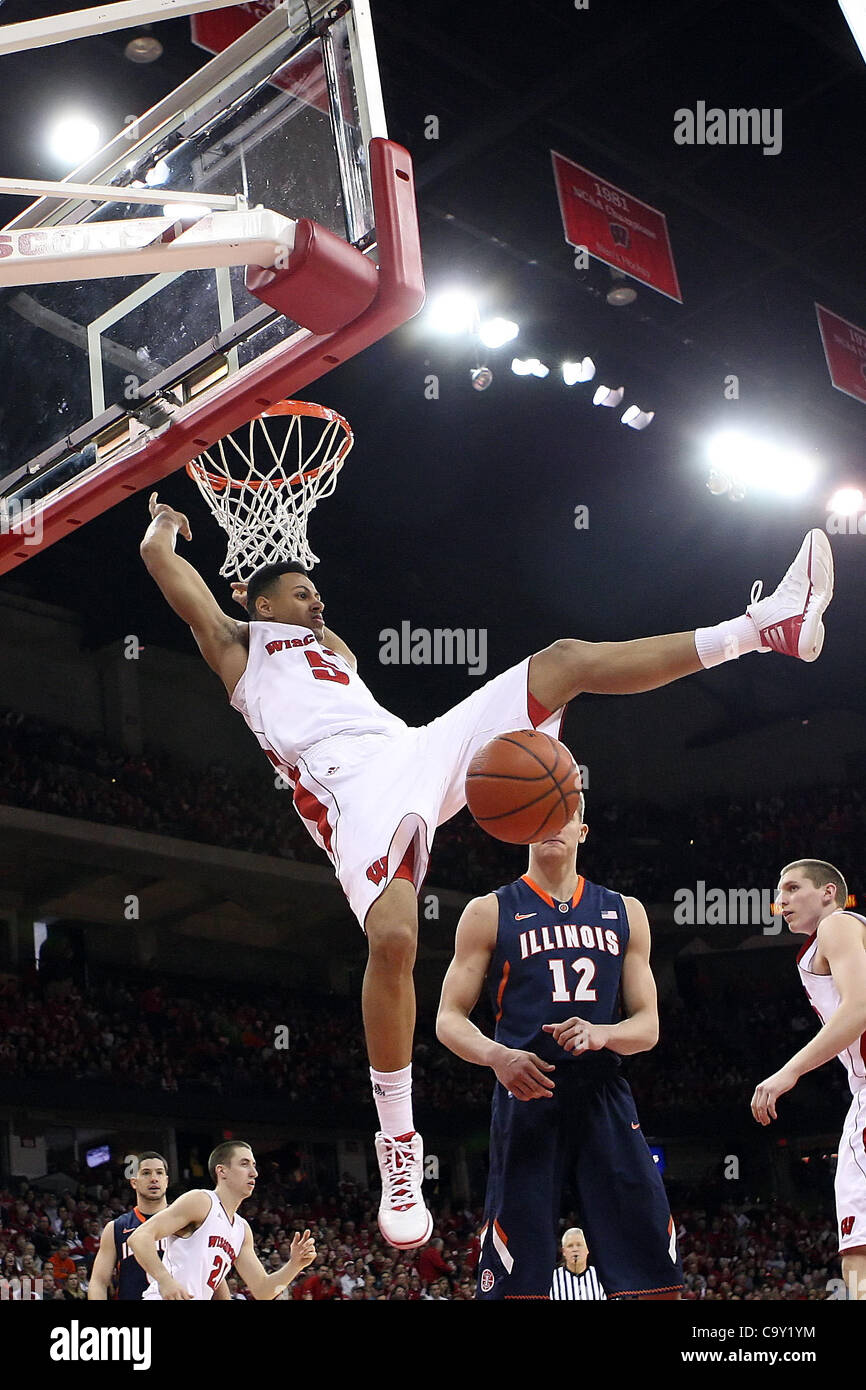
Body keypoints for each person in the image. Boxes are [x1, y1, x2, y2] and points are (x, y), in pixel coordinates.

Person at [140, 499, 833, 1249]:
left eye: (318, 592)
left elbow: (322, 633)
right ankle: (399, 1147)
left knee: (563, 660)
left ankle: (764, 629)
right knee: (397, 938)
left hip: (415, 751)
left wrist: (292, 601)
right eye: (301, 592)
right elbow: (166, 570)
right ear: (260, 601)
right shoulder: (235, 646)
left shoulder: (329, 647)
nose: (317, 600)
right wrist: (167, 529)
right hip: (349, 791)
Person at [436, 802, 682, 1299]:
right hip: (527, 1090)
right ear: (521, 826)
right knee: (516, 1272)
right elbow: (448, 1018)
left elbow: (648, 1026)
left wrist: (603, 1033)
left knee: (647, 1258)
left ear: (582, 830)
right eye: (540, 815)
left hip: (602, 1090)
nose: (553, 825)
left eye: (564, 815)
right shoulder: (489, 910)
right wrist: (497, 1056)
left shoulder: (624, 910)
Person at [751, 859, 866, 1300]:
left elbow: (857, 1009)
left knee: (858, 1243)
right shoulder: (842, 937)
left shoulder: (836, 926)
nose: (781, 901)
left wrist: (787, 1072)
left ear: (828, 893)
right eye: (778, 893)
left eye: (793, 888)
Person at [131, 1139, 315, 1300]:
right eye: (244, 1164)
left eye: (254, 1165)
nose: (254, 1173)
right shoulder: (201, 1201)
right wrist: (165, 1281)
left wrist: (294, 1264)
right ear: (222, 1171)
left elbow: (263, 1291)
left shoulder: (241, 1230)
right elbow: (139, 1237)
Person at [87, 1151, 232, 1301]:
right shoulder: (116, 1227)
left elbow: (213, 1275)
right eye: (146, 1173)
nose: (154, 1179)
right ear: (134, 1182)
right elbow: (99, 1281)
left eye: (159, 1173)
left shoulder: (190, 1221)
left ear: (167, 1181)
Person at [550, 1228, 607, 1300]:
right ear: (563, 1251)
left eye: (579, 1245)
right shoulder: (552, 1278)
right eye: (570, 1246)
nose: (575, 1249)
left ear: (588, 1248)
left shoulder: (602, 1276)